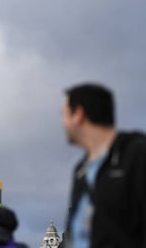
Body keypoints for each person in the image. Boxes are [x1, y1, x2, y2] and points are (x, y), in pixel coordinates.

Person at [62, 82, 146, 247]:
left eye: (64, 115)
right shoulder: (80, 170)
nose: (62, 123)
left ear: (78, 114)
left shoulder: (137, 155)